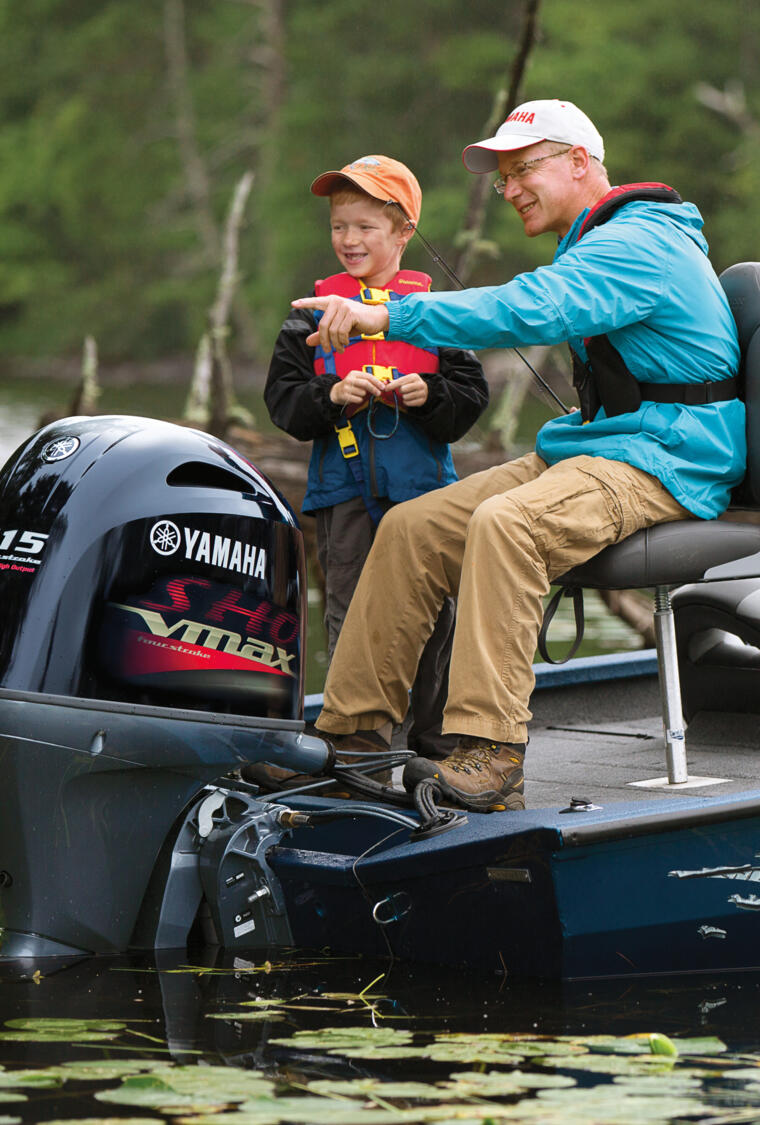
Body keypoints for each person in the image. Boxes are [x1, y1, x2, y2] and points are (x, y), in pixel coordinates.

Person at [291, 99, 744, 812]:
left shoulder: (638, 242)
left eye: (523, 169)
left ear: (579, 162)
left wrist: (390, 314)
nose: (510, 190)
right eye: (503, 178)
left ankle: (492, 754)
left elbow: (531, 307)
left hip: (670, 456)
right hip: (607, 446)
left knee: (509, 523)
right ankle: (354, 741)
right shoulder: (596, 243)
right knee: (412, 528)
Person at [262, 154, 490, 765]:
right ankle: (358, 754)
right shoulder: (310, 315)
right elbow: (283, 403)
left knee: (437, 620)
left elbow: (469, 400)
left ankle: (438, 748)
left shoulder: (436, 314)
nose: (349, 239)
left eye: (365, 227)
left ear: (404, 231)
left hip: (426, 497)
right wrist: (332, 395)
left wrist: (429, 394)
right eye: (339, 226)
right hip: (345, 497)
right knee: (352, 614)